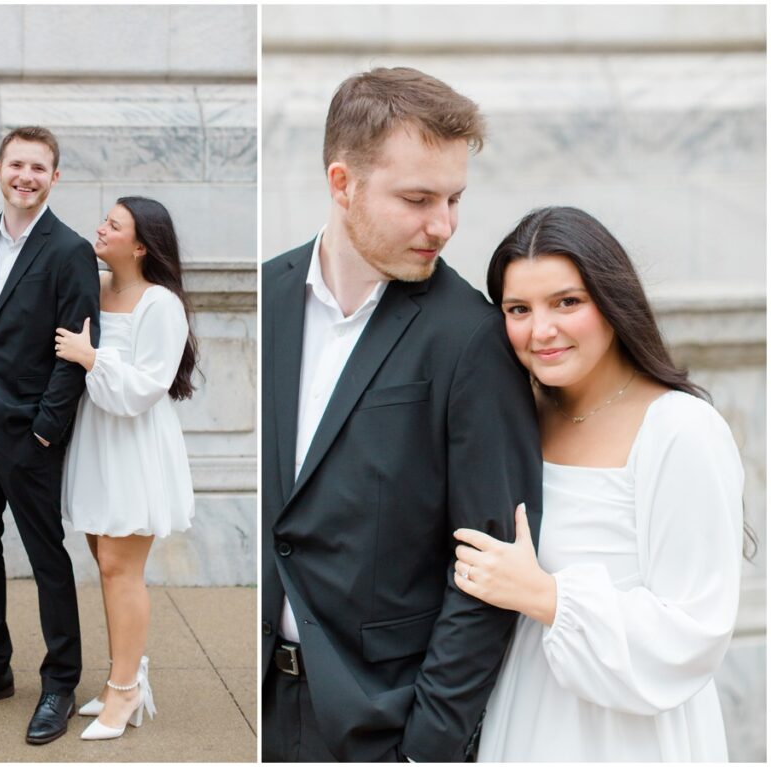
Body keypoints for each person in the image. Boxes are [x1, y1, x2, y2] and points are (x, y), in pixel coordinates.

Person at [260, 66, 542, 762]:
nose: (442, 225)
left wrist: (427, 747)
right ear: (341, 183)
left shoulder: (472, 336)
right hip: (257, 708)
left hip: (380, 726)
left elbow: (488, 569)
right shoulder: (267, 293)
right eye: (417, 198)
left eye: (453, 199)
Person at [454, 206, 745, 761]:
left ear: (611, 304)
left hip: (625, 734)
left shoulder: (680, 430)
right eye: (519, 309)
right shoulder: (517, 419)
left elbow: (696, 630)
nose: (542, 331)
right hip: (519, 712)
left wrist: (546, 595)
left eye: (567, 302)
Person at [0, 126, 100, 745]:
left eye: (39, 168)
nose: (26, 176)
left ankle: (60, 682)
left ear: (54, 179)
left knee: (46, 558)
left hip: (27, 432)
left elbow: (75, 351)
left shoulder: (69, 250)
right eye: (17, 165)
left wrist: (45, 432)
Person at [54, 196, 197, 741]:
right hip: (94, 437)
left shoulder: (160, 303)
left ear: (140, 245)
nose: (100, 229)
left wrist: (91, 357)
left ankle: (124, 693)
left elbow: (146, 387)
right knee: (102, 558)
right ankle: (128, 674)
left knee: (120, 566)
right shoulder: (96, 288)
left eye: (113, 225)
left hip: (133, 442)